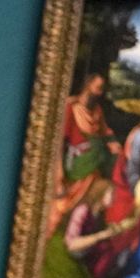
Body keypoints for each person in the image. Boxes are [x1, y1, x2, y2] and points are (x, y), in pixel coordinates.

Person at [39, 175, 126, 278]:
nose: (114, 197)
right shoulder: (82, 210)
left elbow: (94, 234)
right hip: (62, 253)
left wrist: (109, 231)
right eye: (111, 193)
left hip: (81, 253)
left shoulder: (99, 212)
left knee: (108, 250)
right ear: (100, 194)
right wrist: (100, 235)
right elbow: (71, 244)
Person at [52, 73, 121, 232]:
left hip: (93, 165)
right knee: (64, 202)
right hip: (75, 165)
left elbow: (105, 130)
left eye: (102, 89)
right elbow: (60, 141)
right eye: (97, 88)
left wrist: (112, 142)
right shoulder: (71, 107)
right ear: (88, 85)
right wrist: (59, 172)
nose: (99, 93)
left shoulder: (96, 110)